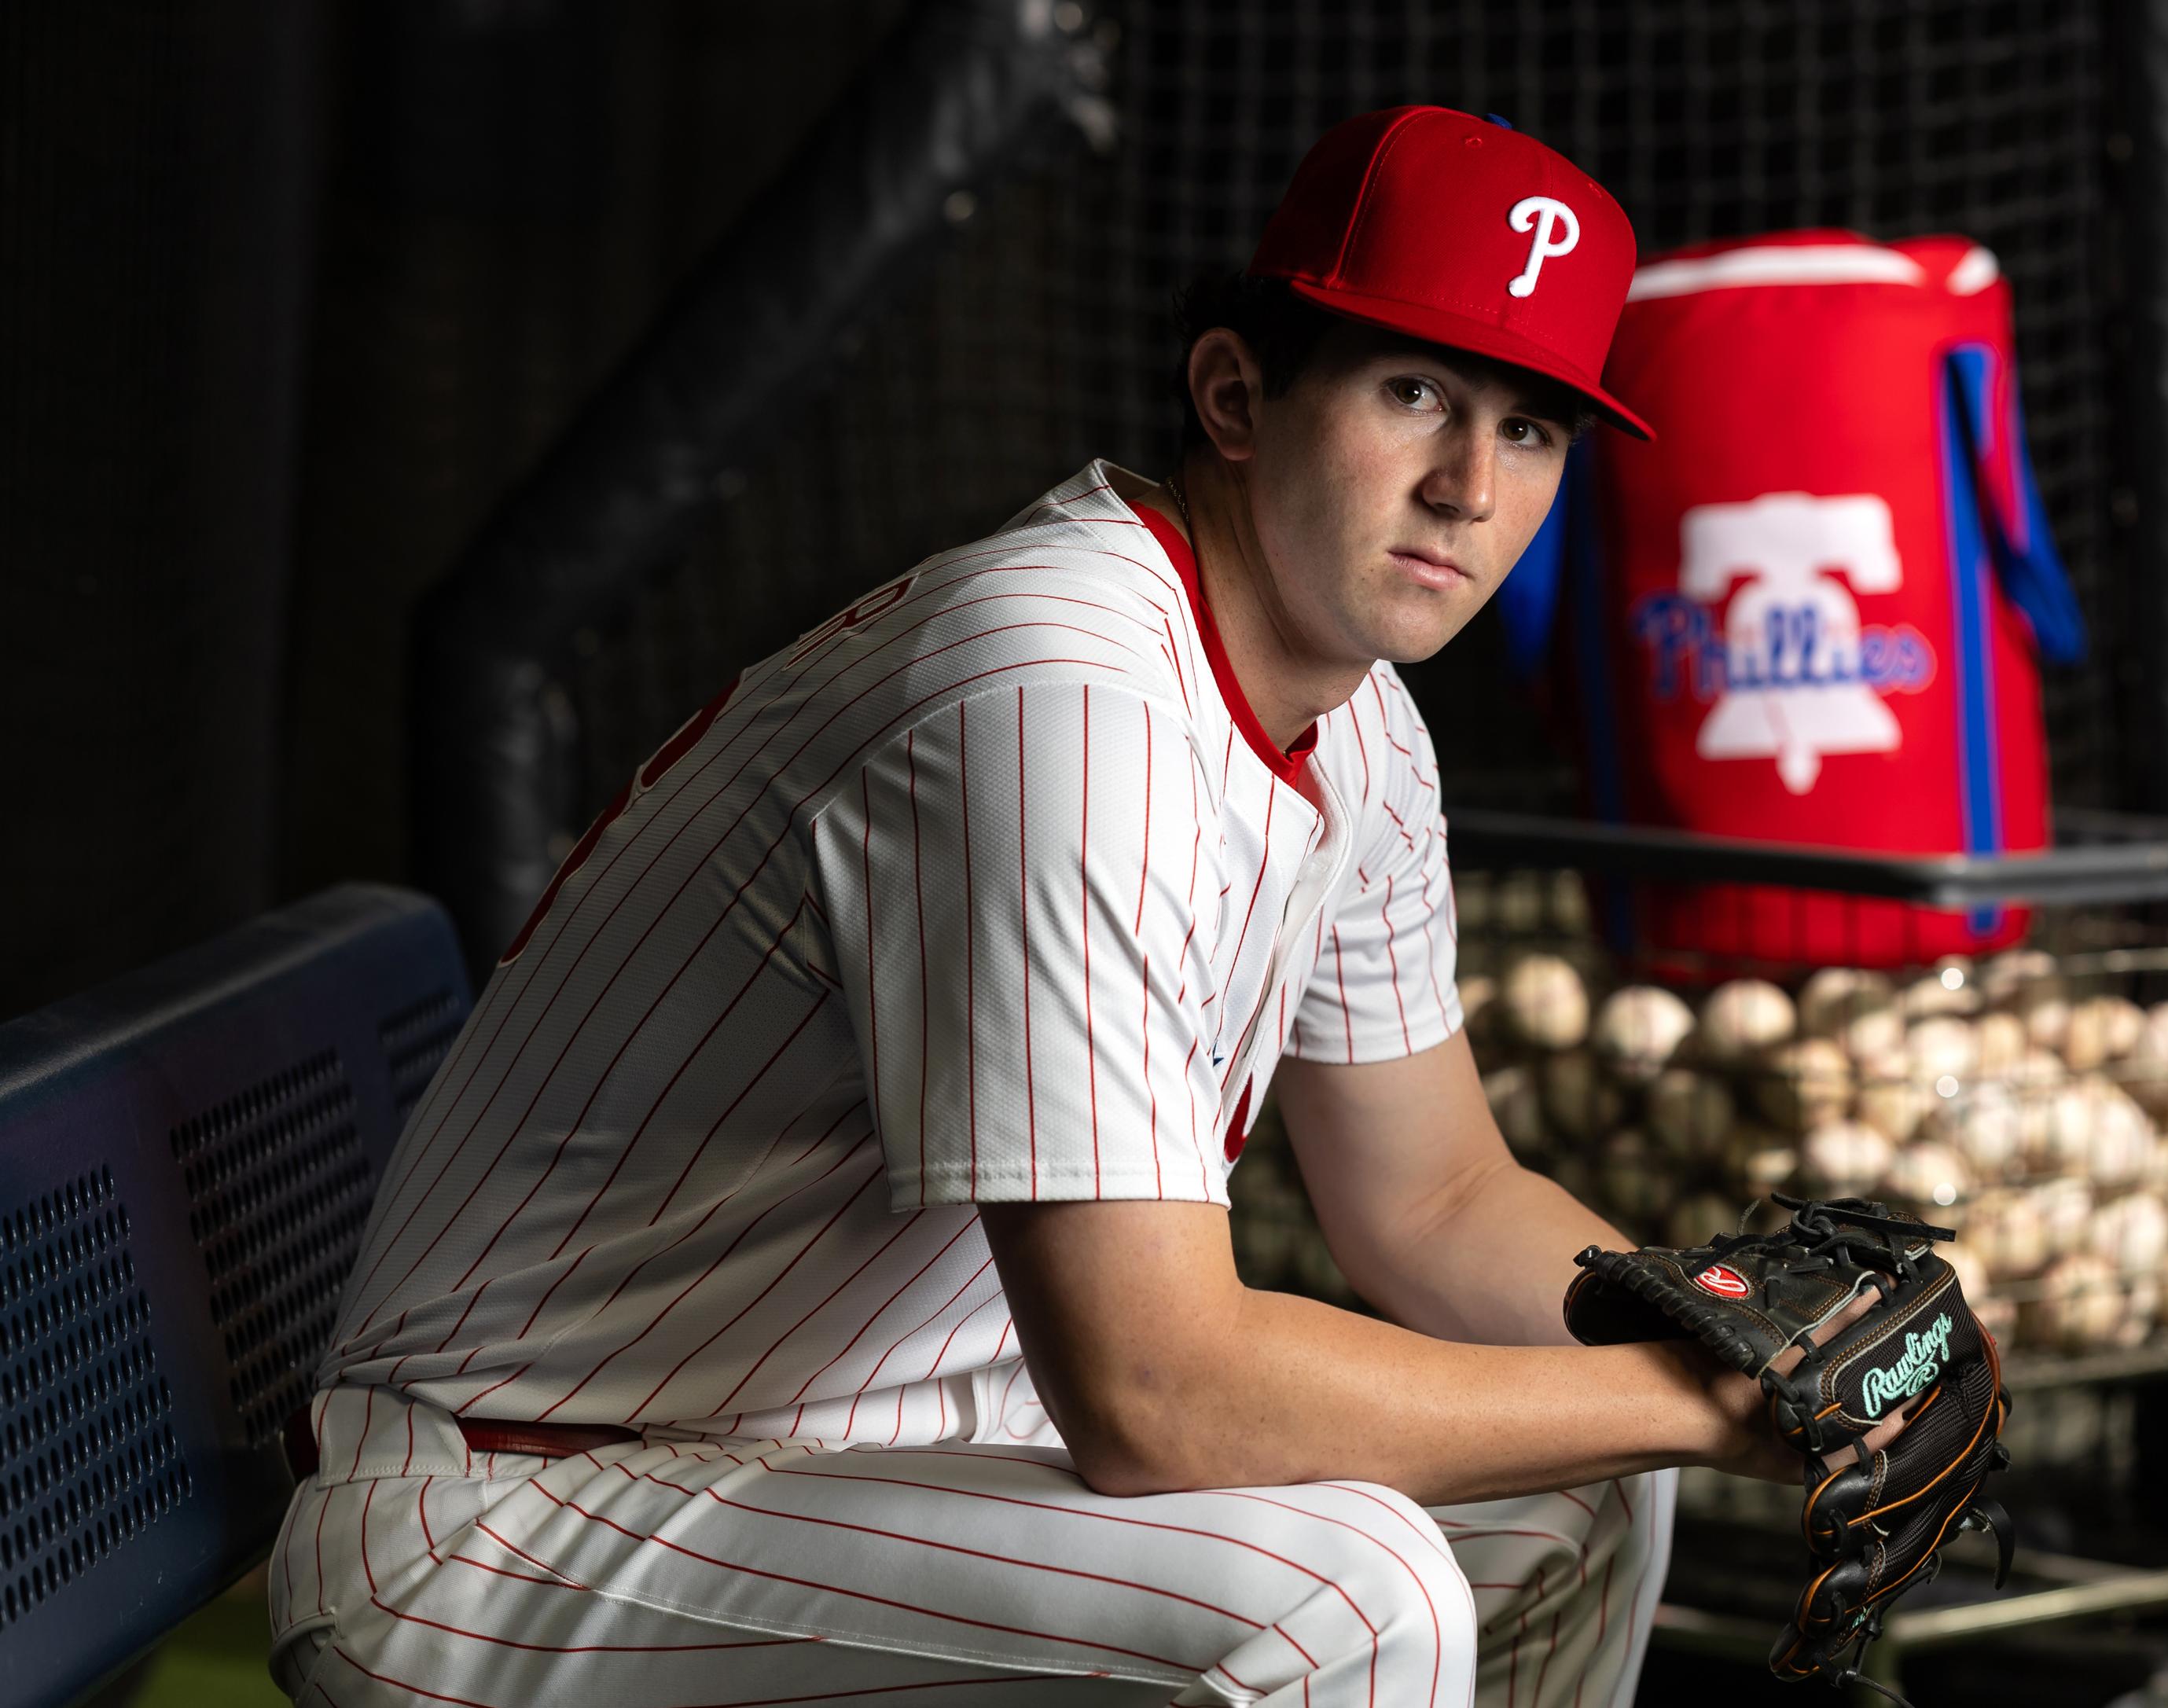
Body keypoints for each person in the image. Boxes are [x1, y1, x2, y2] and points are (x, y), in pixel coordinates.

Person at [270, 105, 1801, 1708]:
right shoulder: (1063, 690)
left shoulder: (1357, 725)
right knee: (1343, 1601)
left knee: (1569, 1489)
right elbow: (1156, 1395)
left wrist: (1734, 1337)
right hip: (512, 1521)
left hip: (855, 1478)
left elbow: (1433, 1203)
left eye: (1532, 425)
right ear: (1233, 392)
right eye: (1414, 390)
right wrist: (1699, 1407)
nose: (1467, 486)